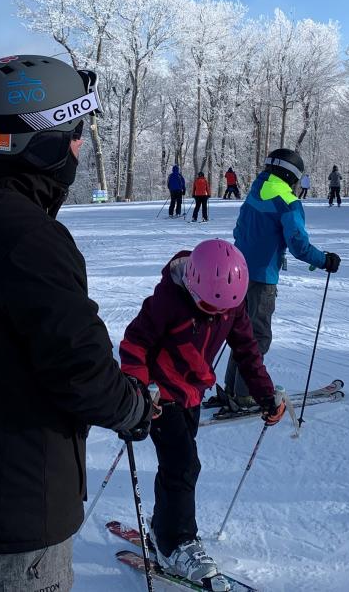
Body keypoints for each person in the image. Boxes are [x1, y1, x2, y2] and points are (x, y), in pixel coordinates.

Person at [0, 55, 152, 592]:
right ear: (36, 141)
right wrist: (134, 407)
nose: (78, 147)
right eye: (73, 133)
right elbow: (80, 370)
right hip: (15, 510)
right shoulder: (30, 240)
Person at [120, 240, 285, 587]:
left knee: (176, 465)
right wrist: (136, 391)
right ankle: (176, 541)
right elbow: (134, 344)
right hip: (159, 396)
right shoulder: (168, 300)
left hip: (192, 392)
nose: (214, 314)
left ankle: (163, 527)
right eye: (208, 306)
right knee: (184, 463)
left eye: (222, 309)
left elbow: (247, 350)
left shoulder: (232, 306)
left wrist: (265, 393)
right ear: (193, 284)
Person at [216, 148, 341, 409]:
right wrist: (324, 260)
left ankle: (232, 388)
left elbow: (239, 229)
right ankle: (244, 393)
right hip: (262, 278)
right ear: (291, 175)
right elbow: (298, 246)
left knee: (240, 331)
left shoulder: (254, 190)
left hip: (236, 274)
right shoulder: (287, 201)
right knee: (257, 336)